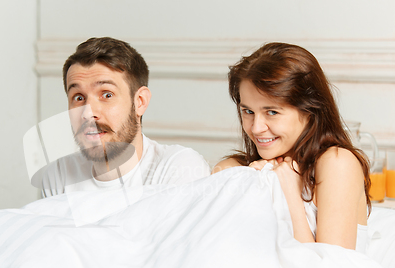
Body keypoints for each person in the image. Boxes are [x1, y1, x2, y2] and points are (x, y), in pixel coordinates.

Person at [213, 42, 371, 252]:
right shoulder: (235, 168)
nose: (257, 128)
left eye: (272, 112)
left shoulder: (337, 163)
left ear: (309, 111)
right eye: (248, 111)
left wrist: (289, 194)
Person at [34, 37, 210, 197]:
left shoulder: (176, 167)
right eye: (78, 98)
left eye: (107, 95)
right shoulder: (58, 175)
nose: (88, 113)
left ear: (140, 102)